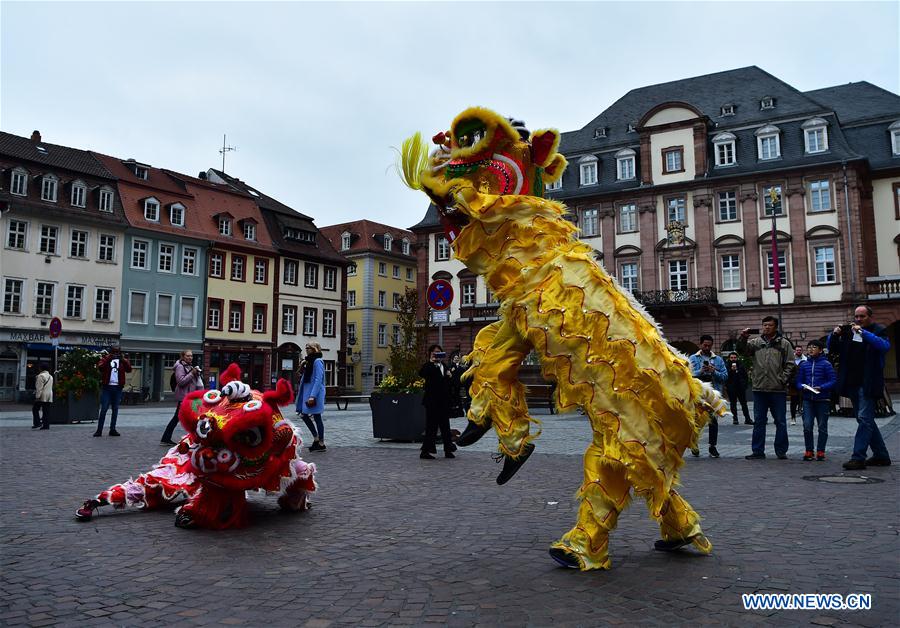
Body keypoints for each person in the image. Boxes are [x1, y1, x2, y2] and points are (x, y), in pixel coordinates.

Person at [827, 305, 892, 470]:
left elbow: (884, 347)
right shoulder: (850, 333)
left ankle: (858, 457)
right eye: (856, 316)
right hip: (852, 382)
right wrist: (834, 334)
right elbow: (833, 349)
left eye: (861, 316)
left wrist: (864, 333)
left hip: (868, 382)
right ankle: (881, 455)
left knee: (864, 419)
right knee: (865, 419)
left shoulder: (878, 330)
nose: (858, 320)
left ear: (870, 317)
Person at [738, 316, 793, 460]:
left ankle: (781, 451)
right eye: (764, 325)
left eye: (770, 325)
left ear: (776, 327)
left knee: (780, 421)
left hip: (777, 389)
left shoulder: (784, 344)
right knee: (759, 421)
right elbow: (742, 351)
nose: (766, 327)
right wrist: (743, 338)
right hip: (759, 389)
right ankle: (758, 451)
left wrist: (783, 379)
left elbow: (790, 364)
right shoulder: (756, 342)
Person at [794, 340, 837, 461]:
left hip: (823, 399)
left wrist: (822, 387)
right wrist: (802, 386)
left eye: (814, 347)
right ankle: (809, 450)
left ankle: (821, 451)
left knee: (822, 426)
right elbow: (798, 381)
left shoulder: (826, 364)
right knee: (807, 425)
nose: (811, 349)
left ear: (820, 350)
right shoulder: (804, 365)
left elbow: (833, 380)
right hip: (808, 400)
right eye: (809, 347)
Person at [688, 335, 727, 458]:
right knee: (697, 420)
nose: (707, 347)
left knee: (713, 421)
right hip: (699, 394)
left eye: (709, 345)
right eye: (705, 345)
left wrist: (713, 371)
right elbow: (688, 376)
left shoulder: (718, 360)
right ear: (700, 344)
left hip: (713, 394)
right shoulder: (693, 358)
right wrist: (700, 371)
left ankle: (712, 446)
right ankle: (694, 444)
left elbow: (725, 376)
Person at [160, 350, 203, 446]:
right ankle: (166, 438)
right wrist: (192, 373)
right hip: (184, 397)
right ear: (183, 356)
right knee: (180, 418)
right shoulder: (180, 367)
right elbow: (181, 381)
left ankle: (166, 438)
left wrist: (196, 374)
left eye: (191, 356)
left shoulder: (189, 366)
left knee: (193, 417)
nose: (190, 358)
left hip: (192, 397)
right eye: (188, 356)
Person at [419, 344, 454, 459]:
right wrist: (431, 362)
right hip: (432, 402)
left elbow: (447, 383)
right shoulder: (428, 365)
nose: (437, 354)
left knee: (445, 427)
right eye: (434, 352)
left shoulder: (444, 365)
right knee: (431, 427)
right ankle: (425, 451)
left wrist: (449, 376)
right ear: (430, 354)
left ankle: (448, 450)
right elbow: (422, 373)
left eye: (439, 352)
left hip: (443, 402)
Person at [296, 342, 326, 452]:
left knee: (317, 416)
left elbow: (318, 380)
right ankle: (316, 438)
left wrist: (313, 396)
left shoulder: (318, 361)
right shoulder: (309, 361)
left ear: (315, 349)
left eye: (309, 348)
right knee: (303, 415)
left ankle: (321, 442)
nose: (307, 349)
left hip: (314, 394)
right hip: (307, 393)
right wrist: (303, 366)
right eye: (306, 348)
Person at [95, 347, 132, 437]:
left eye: (117, 352)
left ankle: (113, 429)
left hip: (118, 388)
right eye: (114, 352)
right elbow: (100, 367)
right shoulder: (106, 359)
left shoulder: (122, 361)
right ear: (110, 352)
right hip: (107, 387)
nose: (116, 354)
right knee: (104, 409)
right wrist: (108, 358)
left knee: (115, 409)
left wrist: (123, 360)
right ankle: (99, 430)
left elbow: (129, 369)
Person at [725, 352, 752, 426]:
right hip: (731, 388)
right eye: (732, 358)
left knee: (744, 404)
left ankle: (747, 419)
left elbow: (745, 376)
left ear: (737, 358)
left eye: (734, 357)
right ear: (729, 358)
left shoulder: (741, 365)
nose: (733, 359)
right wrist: (731, 370)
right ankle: (735, 419)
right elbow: (725, 376)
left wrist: (745, 385)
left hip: (740, 388)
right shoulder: (727, 366)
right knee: (733, 404)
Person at [788, 346, 807, 426]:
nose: (799, 351)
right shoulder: (791, 360)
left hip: (803, 384)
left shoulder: (805, 360)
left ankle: (805, 418)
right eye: (797, 350)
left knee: (803, 401)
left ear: (802, 351)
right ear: (795, 351)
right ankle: (793, 417)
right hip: (793, 384)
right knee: (793, 401)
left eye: (800, 350)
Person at [32, 362, 54, 430]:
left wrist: (37, 397)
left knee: (35, 409)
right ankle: (46, 425)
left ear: (41, 368)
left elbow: (39, 388)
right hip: (49, 395)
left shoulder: (40, 376)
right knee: (46, 411)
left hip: (42, 395)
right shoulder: (50, 376)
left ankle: (37, 423)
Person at [448, 353, 468, 418]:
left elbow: (463, 373)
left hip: (458, 385)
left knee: (458, 397)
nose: (456, 359)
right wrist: (451, 370)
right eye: (455, 358)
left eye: (457, 358)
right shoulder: (451, 366)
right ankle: (453, 411)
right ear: (453, 359)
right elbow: (449, 374)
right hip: (452, 385)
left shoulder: (460, 367)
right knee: (454, 397)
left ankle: (459, 411)